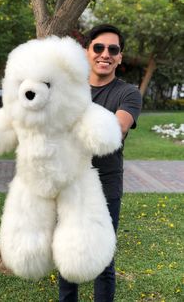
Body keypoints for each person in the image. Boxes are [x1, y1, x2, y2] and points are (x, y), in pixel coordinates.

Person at [58, 24, 142, 301]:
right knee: (67, 251)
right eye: (99, 47)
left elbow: (113, 131)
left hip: (106, 184)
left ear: (120, 57)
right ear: (87, 52)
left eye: (113, 49)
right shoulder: (69, 89)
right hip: (68, 182)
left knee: (102, 259)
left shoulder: (128, 93)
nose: (105, 54)